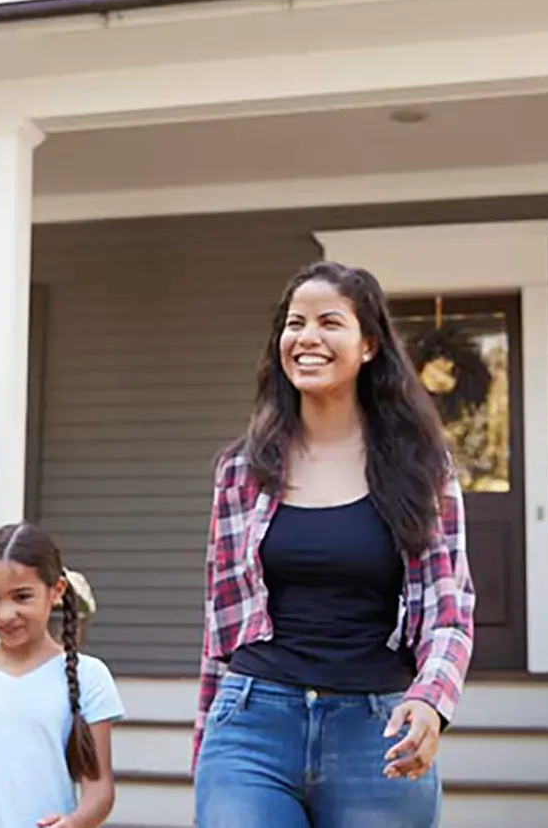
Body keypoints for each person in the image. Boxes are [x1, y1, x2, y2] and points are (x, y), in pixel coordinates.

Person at [192, 260, 476, 828]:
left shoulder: (422, 468)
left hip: (376, 731)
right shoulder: (242, 470)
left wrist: (431, 700)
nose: (307, 338)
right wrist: (205, 745)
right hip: (252, 726)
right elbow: (219, 627)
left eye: (329, 322)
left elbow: (450, 612)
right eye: (294, 323)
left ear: (368, 345)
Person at [0, 524, 121, 828]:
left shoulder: (89, 676)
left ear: (56, 591)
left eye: (21, 597)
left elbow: (100, 790)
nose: (4, 614)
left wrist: (73, 822)